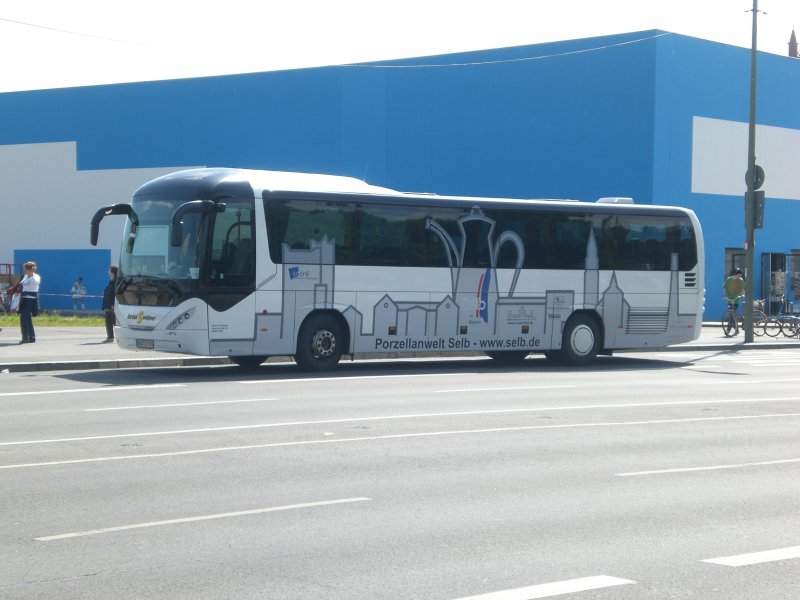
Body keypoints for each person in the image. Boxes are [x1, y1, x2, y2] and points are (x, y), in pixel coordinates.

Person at [17, 261, 41, 344]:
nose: (24, 270)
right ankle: (31, 337)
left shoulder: (36, 277)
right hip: (24, 298)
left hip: (31, 299)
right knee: (27, 317)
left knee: (24, 317)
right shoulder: (25, 276)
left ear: (30, 269)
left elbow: (35, 282)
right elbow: (21, 284)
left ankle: (26, 337)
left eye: (26, 269)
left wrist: (32, 272)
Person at [102, 265, 118, 343]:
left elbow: (114, 294)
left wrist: (112, 304)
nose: (108, 272)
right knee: (109, 321)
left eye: (109, 270)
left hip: (111, 306)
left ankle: (113, 337)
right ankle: (110, 337)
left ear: (113, 272)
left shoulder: (115, 282)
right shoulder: (112, 281)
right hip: (108, 305)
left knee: (114, 322)